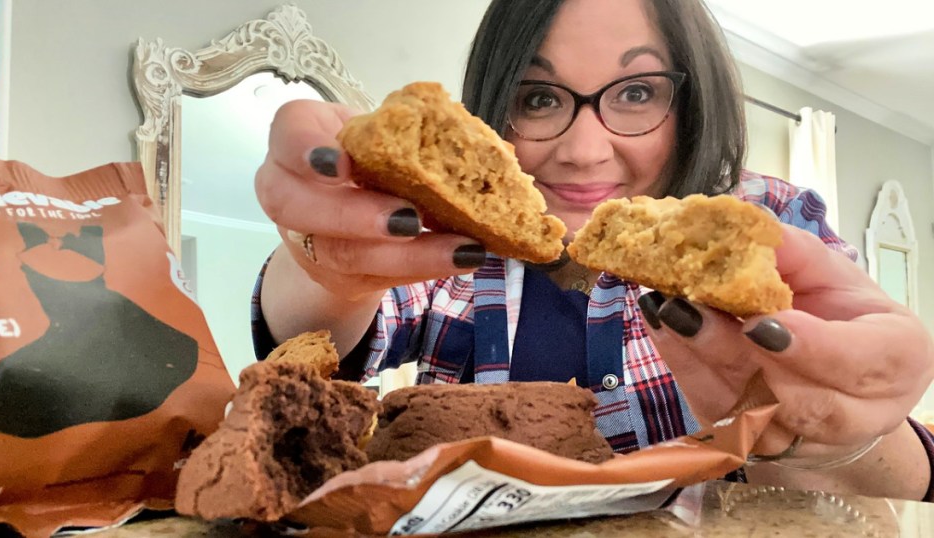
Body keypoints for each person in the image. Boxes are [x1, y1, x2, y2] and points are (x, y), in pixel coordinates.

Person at [251, 0, 934, 501]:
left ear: (693, 102)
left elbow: (893, 492)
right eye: (540, 97)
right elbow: (325, 337)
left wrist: (845, 437)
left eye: (636, 93)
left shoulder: (773, 223)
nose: (581, 152)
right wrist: (324, 262)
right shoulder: (445, 242)